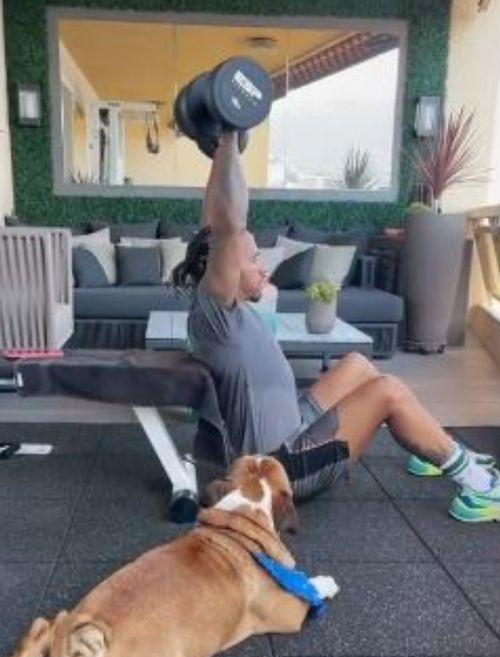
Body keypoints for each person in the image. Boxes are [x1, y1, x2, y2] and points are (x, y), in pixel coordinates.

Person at [172, 131, 499, 523]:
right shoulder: (215, 313)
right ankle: (480, 484)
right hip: (278, 470)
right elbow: (228, 224)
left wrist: (222, 149)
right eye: (254, 260)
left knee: (358, 364)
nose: (263, 266)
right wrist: (228, 137)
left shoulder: (228, 308)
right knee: (388, 391)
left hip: (293, 426)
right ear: (224, 270)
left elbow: (216, 223)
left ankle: (431, 443)